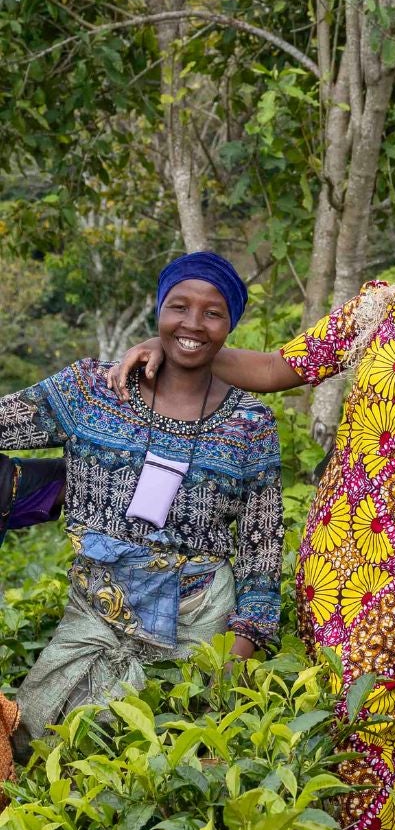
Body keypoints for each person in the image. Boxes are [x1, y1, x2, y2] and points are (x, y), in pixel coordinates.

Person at [112, 170, 395, 830]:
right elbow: (284, 365)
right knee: (338, 714)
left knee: (370, 711)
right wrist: (184, 347)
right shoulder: (378, 306)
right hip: (335, 549)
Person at [0, 253, 283, 760]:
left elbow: (262, 553)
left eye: (213, 313)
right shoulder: (92, 390)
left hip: (197, 628)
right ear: (158, 311)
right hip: (92, 617)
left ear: (230, 326)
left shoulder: (250, 423)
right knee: (34, 753)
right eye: (179, 307)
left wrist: (235, 664)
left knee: (169, 782)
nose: (193, 324)